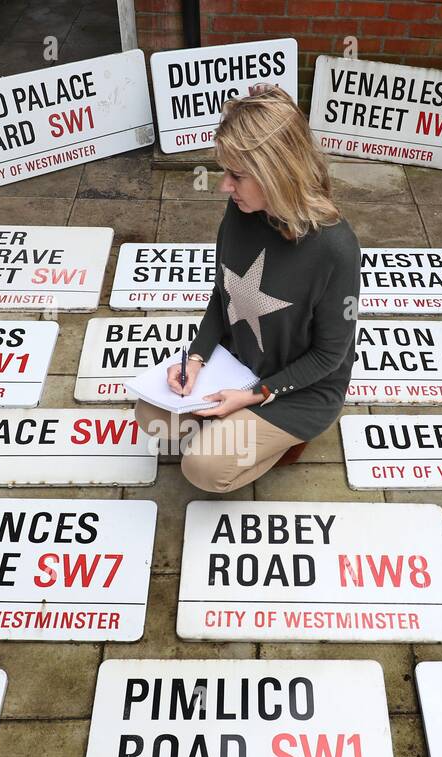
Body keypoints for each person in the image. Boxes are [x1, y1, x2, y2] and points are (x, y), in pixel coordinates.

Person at [133, 85, 361, 493]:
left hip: (297, 390)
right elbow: (225, 296)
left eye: (236, 176)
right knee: (151, 418)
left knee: (203, 469)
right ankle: (232, 427)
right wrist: (197, 357)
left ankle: (284, 440)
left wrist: (257, 394)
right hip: (240, 363)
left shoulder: (336, 248)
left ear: (277, 172)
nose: (224, 186)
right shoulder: (242, 210)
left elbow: (330, 355)